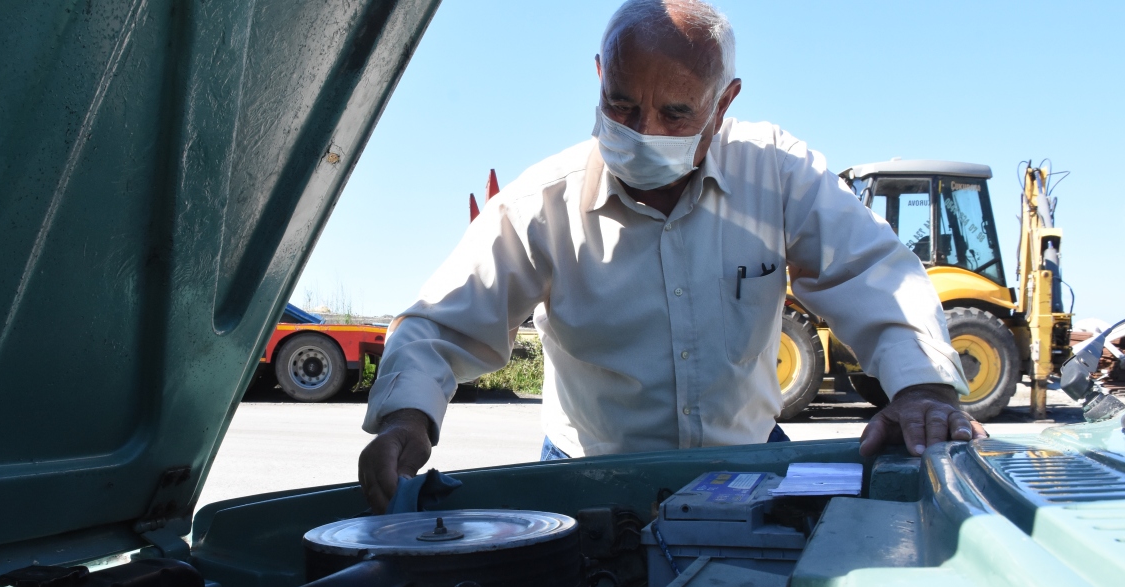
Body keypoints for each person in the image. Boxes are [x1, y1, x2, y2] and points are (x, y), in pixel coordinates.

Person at [357, 0, 985, 512]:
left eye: (677, 112)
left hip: (747, 460)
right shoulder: (541, 203)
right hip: (591, 477)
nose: (643, 132)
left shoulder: (779, 172)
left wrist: (922, 390)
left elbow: (872, 271)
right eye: (623, 105)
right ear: (600, 75)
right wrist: (406, 418)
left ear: (725, 101)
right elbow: (440, 322)